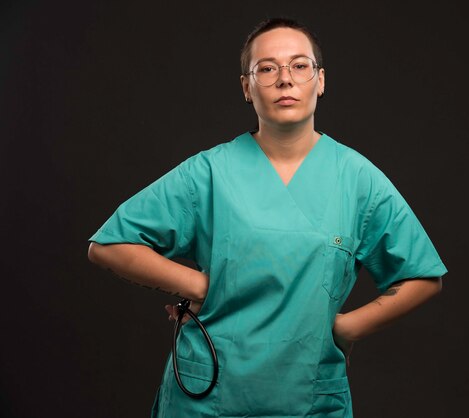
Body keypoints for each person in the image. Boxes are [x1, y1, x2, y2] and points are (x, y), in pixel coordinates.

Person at [87, 16, 447, 418]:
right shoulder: (209, 173)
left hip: (308, 399)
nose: (285, 80)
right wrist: (200, 283)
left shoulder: (358, 179)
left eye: (299, 65)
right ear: (247, 87)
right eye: (267, 68)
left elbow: (423, 275)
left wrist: (349, 328)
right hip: (207, 396)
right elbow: (109, 246)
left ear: (321, 80)